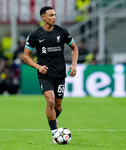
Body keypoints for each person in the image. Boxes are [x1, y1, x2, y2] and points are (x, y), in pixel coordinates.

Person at [23, 6, 78, 143]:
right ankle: (54, 134)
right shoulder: (35, 34)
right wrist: (38, 66)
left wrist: (74, 64)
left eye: (54, 15)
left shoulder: (62, 31)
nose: (54, 17)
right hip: (45, 73)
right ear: (43, 17)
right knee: (50, 100)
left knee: (58, 107)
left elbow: (74, 48)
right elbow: (26, 56)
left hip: (60, 74)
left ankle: (53, 120)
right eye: (51, 15)